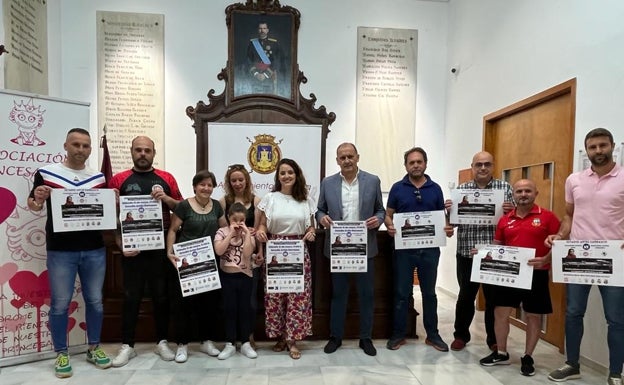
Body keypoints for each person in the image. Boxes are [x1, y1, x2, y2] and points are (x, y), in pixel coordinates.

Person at [28, 128, 111, 378]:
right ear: (65, 145)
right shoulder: (46, 172)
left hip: (94, 248)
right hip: (61, 250)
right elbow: (33, 205)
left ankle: (94, 347)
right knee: (60, 303)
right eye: (76, 144)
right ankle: (61, 352)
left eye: (86, 146)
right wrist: (38, 198)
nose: (81, 150)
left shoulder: (98, 177)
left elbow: (103, 212)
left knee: (95, 301)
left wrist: (112, 202)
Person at [546, 128, 624, 385]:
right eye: (593, 147)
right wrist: (560, 235)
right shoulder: (574, 180)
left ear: (612, 146)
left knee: (616, 319)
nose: (598, 151)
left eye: (603, 145)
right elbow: (569, 214)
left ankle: (615, 373)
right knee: (573, 313)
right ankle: (572, 364)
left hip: (613, 258)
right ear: (586, 149)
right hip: (577, 256)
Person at [108, 136, 183, 366]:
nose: (143, 153)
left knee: (161, 296)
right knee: (131, 296)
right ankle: (127, 345)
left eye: (147, 150)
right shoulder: (118, 179)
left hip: (160, 247)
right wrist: (119, 244)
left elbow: (181, 209)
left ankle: (162, 342)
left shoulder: (166, 177)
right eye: (138, 150)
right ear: (131, 151)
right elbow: (109, 216)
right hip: (132, 248)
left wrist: (166, 198)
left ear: (153, 152)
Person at [479, 179, 560, 377]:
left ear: (536, 193)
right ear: (513, 194)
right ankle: (501, 352)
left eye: (527, 191)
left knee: (533, 315)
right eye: (519, 191)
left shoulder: (548, 217)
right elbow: (497, 245)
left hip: (536, 273)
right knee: (500, 312)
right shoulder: (505, 219)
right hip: (509, 273)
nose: (523, 194)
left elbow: (560, 244)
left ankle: (528, 356)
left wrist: (546, 260)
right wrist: (482, 253)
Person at [316, 143, 385, 356]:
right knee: (339, 295)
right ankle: (335, 337)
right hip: (339, 249)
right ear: (337, 160)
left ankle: (366, 338)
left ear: (357, 157)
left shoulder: (372, 181)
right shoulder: (327, 183)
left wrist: (379, 220)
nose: (346, 160)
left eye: (350, 156)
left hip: (365, 247)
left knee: (366, 295)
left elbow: (380, 210)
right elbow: (319, 210)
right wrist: (322, 219)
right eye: (342, 157)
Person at [384, 147, 454, 352]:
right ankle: (398, 334)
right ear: (406, 165)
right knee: (401, 293)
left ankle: (433, 335)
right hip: (404, 250)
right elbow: (389, 214)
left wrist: (448, 226)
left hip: (430, 250)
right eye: (411, 162)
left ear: (425, 163)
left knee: (429, 294)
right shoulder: (398, 188)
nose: (415, 165)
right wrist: (389, 225)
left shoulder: (435, 188)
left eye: (419, 162)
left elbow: (443, 218)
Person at [445, 151, 514, 351]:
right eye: (479, 165)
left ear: (493, 166)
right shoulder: (462, 190)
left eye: (487, 164)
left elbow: (517, 218)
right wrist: (449, 214)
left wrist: (511, 210)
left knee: (494, 298)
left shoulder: (505, 188)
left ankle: (493, 339)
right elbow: (453, 224)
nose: (483, 168)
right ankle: (461, 336)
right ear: (472, 166)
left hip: (495, 253)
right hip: (467, 252)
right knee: (466, 296)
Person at [255, 158, 317, 359]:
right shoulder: (271, 198)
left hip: (298, 250)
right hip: (275, 249)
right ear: (278, 176)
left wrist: (311, 232)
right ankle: (280, 336)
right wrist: (262, 233)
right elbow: (262, 224)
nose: (286, 176)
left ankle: (293, 339)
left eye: (290, 172)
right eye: (282, 173)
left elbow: (311, 226)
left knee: (297, 296)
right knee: (276, 296)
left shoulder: (306, 200)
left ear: (296, 174)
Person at [166, 170, 227, 363]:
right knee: (184, 305)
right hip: (186, 263)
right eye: (202, 184)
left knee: (208, 304)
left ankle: (206, 340)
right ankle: (182, 345)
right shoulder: (184, 206)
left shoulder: (217, 206)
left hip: (210, 263)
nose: (206, 188)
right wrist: (169, 252)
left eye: (210, 185)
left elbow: (225, 229)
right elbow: (173, 230)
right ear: (194, 186)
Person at [218, 164, 263, 347]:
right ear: (229, 182)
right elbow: (222, 228)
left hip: (249, 257)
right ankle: (232, 338)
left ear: (247, 180)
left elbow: (259, 228)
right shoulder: (223, 201)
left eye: (240, 180)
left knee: (250, 300)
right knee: (230, 302)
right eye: (233, 180)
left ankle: (248, 335)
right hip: (229, 258)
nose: (237, 183)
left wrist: (260, 251)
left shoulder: (257, 200)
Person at [213, 202, 257, 359]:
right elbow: (219, 251)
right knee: (229, 309)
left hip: (245, 277)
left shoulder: (248, 234)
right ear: (228, 218)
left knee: (245, 309)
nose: (238, 223)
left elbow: (247, 254)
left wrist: (246, 234)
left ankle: (245, 342)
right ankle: (230, 343)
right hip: (227, 276)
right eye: (235, 220)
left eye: (242, 220)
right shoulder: (221, 232)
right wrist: (231, 234)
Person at [246, 20, 284, 95]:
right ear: (258, 30)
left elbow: (277, 61)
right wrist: (256, 73)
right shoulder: (252, 43)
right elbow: (248, 60)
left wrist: (266, 74)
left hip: (269, 76)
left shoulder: (274, 43)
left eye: (264, 28)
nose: (262, 30)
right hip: (255, 77)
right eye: (260, 28)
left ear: (267, 30)